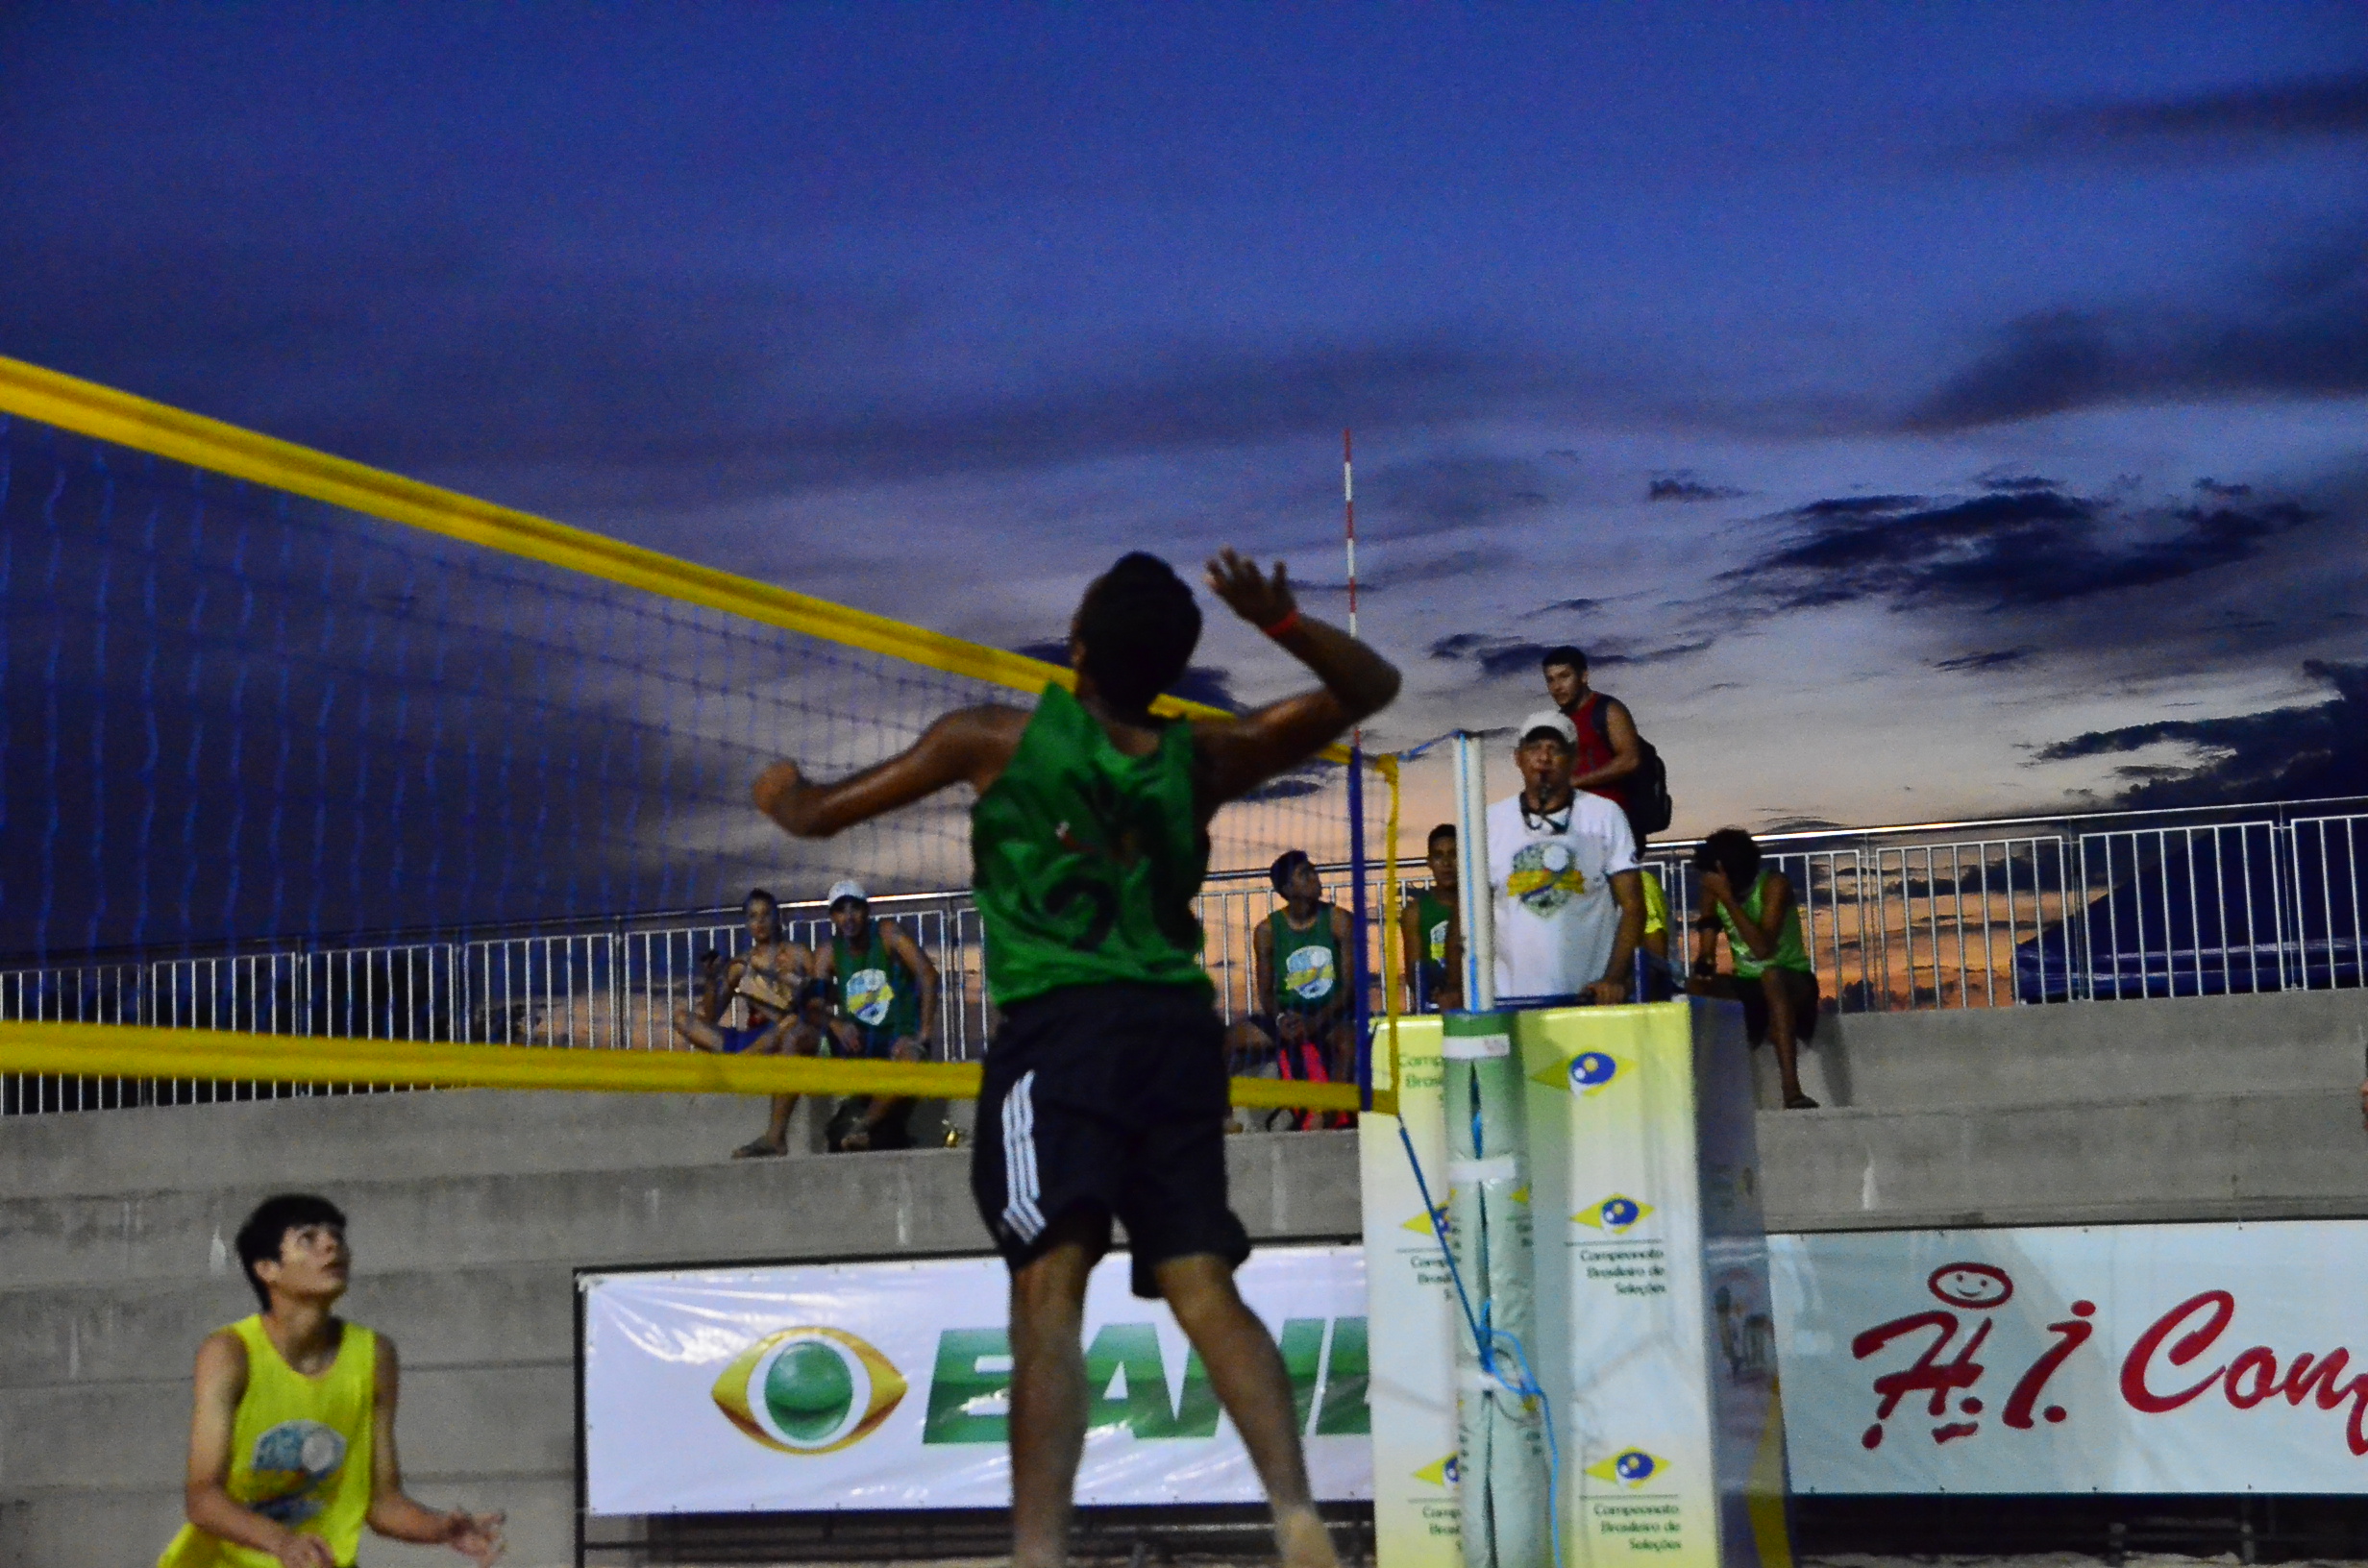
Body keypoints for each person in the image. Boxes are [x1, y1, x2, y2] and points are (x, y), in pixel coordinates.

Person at [752, 547, 1397, 1568]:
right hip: (1177, 1036)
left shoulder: (993, 739)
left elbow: (817, 815)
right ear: (1174, 666)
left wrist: (778, 787)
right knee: (1201, 1288)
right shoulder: (1208, 757)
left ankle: (1039, 1555)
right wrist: (1278, 623)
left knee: (1048, 1295)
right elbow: (1372, 687)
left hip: (1063, 1035)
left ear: (1078, 648)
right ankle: (1296, 1515)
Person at [160, 1195, 506, 1568]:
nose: (331, 1245)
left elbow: (381, 1502)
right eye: (307, 1238)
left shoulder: (374, 1355)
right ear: (267, 1269)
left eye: (337, 1236)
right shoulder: (229, 1352)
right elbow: (202, 1497)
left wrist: (439, 1528)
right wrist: (283, 1543)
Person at [1488, 711, 1644, 1006]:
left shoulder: (1604, 814)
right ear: (1518, 758)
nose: (1544, 758)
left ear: (1574, 760)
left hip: (1587, 997)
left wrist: (1613, 979)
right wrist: (1460, 986)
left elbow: (1633, 906)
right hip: (1509, 1001)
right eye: (1534, 748)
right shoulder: (1489, 820)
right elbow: (1468, 912)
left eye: (1555, 749)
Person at [671, 888, 826, 1159]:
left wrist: (793, 983)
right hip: (754, 1039)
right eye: (753, 917)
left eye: (766, 915)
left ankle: (740, 1065)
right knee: (682, 1018)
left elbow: (818, 1003)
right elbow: (710, 1016)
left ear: (778, 918)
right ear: (747, 924)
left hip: (787, 1033)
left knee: (790, 1023)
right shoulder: (740, 965)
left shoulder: (798, 953)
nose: (760, 922)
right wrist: (710, 980)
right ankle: (743, 1059)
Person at [1688, 827, 1822, 1110]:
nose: (1706, 881)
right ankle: (1693, 1091)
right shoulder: (1712, 891)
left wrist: (1727, 898)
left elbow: (1763, 949)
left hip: (1792, 981)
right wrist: (1705, 963)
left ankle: (1791, 1089)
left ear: (1724, 870)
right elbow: (1708, 941)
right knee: (1693, 988)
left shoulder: (1774, 885)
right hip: (1749, 986)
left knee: (1771, 976)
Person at [812, 879, 940, 1152]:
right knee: (801, 1033)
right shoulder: (828, 952)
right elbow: (813, 1004)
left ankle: (863, 1125)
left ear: (867, 911)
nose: (848, 917)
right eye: (840, 911)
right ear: (832, 916)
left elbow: (928, 975)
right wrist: (835, 1024)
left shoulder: (887, 934)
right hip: (858, 1043)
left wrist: (923, 1034)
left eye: (855, 909)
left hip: (897, 1039)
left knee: (911, 1062)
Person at [1237, 850, 1355, 1128]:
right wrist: (1280, 1020)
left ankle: (1328, 1113)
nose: (1315, 878)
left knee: (1348, 1042)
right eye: (1305, 874)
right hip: (1289, 1014)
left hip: (1329, 1012)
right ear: (1288, 889)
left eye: (1313, 870)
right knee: (1226, 1040)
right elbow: (1266, 992)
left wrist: (1316, 1022)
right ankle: (1223, 1118)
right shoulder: (1267, 930)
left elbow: (1349, 986)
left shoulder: (1339, 920)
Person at [1542, 646, 1642, 822]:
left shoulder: (1608, 709)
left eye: (1564, 676)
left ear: (1583, 676)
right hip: (1576, 822)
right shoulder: (1557, 723)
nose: (1557, 686)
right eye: (1550, 680)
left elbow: (1630, 760)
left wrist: (1575, 782)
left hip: (1614, 819)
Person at [1399, 823, 1463, 1013]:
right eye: (1438, 856)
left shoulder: (1481, 904)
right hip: (1437, 1000)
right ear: (1429, 862)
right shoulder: (1415, 912)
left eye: (1453, 854)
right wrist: (1434, 993)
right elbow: (1415, 973)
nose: (1446, 863)